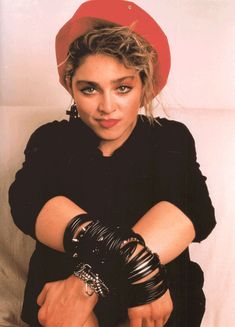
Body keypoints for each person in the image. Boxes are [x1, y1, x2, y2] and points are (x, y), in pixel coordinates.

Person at [8, 1, 216, 326]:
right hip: (62, 305)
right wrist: (136, 265)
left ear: (143, 87)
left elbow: (193, 211)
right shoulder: (51, 140)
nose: (107, 107)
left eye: (122, 87)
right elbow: (28, 203)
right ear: (71, 88)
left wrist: (88, 282)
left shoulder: (169, 138)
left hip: (153, 303)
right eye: (90, 89)